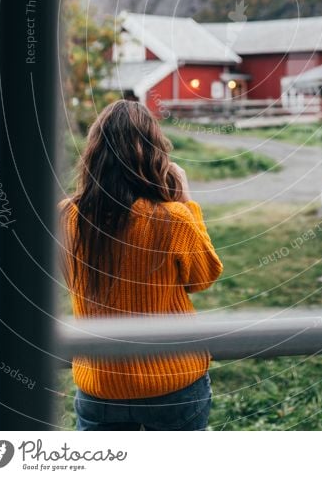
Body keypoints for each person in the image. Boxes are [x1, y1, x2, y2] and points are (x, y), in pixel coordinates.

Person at [59, 99, 223, 431]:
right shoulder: (172, 218)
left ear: (93, 154)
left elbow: (69, 276)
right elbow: (204, 276)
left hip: (101, 383)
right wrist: (187, 201)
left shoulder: (66, 216)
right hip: (173, 378)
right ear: (153, 152)